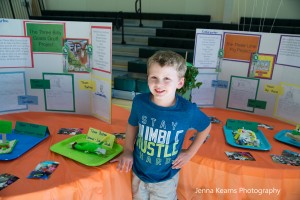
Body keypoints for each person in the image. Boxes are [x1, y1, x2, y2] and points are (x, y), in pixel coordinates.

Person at [111, 50, 211, 200]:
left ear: (180, 82)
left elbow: (205, 126)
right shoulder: (140, 102)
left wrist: (189, 153)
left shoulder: (187, 110)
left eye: (166, 79)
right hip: (138, 172)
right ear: (147, 78)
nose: (159, 84)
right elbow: (132, 125)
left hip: (166, 179)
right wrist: (127, 150)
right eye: (154, 77)